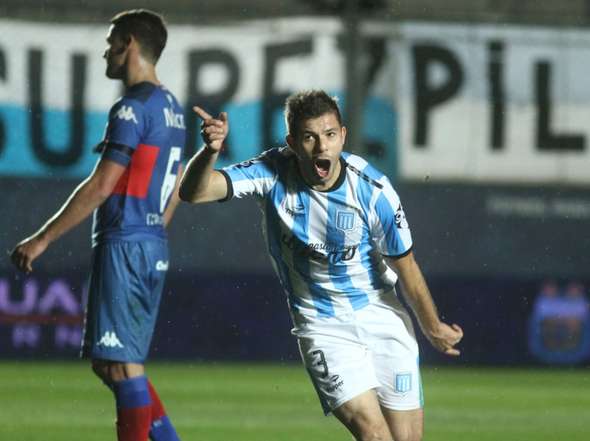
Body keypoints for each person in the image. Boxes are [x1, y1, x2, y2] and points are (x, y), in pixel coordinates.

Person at [179, 90, 463, 441]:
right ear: (292, 143)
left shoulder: (374, 191)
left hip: (382, 315)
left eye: (329, 135)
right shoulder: (271, 172)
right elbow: (193, 192)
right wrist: (210, 151)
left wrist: (433, 326)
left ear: (342, 135)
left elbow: (407, 267)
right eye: (309, 137)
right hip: (322, 325)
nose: (321, 147)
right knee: (374, 436)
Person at [10, 9, 185, 441]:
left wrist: (42, 238)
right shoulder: (172, 109)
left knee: (120, 365)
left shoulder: (131, 107)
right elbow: (176, 183)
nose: (106, 52)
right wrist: (154, 231)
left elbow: (102, 184)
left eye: (111, 43)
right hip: (149, 240)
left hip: (126, 242)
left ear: (129, 43)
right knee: (115, 364)